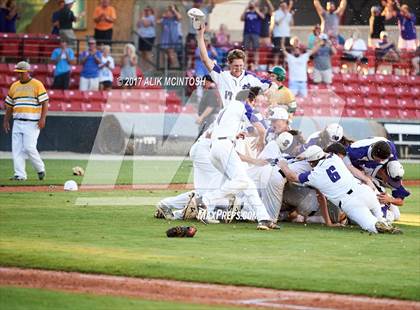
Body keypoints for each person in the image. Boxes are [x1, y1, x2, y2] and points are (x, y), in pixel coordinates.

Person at [187, 87, 280, 230]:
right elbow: (260, 129)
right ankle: (206, 199)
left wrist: (240, 133)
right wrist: (261, 138)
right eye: (253, 101)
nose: (253, 104)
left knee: (247, 184)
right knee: (242, 181)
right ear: (249, 99)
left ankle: (264, 219)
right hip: (225, 147)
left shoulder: (228, 108)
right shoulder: (243, 106)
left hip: (215, 148)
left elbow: (248, 131)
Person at [278, 145, 401, 234]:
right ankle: (384, 221)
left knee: (369, 225)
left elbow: (292, 176)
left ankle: (379, 226)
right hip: (364, 191)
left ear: (311, 162)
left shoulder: (315, 175)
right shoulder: (334, 158)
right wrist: (305, 156)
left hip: (350, 203)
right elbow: (324, 153)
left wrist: (283, 165)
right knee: (379, 215)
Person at [197, 25, 271, 108]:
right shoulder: (222, 75)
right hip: (228, 118)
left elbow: (270, 85)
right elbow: (205, 59)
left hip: (246, 118)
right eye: (236, 66)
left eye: (241, 65)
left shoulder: (250, 78)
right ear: (229, 63)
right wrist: (200, 35)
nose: (239, 68)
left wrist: (267, 93)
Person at [2, 61, 48, 181]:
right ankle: (20, 175)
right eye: (18, 72)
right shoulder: (14, 86)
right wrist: (6, 120)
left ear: (28, 72)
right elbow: (9, 105)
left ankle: (40, 168)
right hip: (17, 121)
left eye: (22, 72)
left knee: (29, 147)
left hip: (32, 122)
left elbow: (45, 102)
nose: (20, 75)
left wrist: (43, 118)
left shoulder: (37, 84)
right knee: (16, 148)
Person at [241, 0, 265, 68]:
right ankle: (244, 64)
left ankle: (256, 64)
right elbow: (242, 18)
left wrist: (256, 9)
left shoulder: (258, 12)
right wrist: (245, 9)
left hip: (255, 33)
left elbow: (263, 17)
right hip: (247, 33)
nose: (251, 5)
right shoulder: (247, 13)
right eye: (250, 4)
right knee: (245, 49)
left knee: (256, 49)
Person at [272, 0, 293, 66]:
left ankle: (284, 67)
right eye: (283, 6)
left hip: (286, 35)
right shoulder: (276, 13)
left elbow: (291, 24)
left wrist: (291, 15)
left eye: (285, 6)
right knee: (277, 52)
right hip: (278, 35)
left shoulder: (288, 13)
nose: (284, 7)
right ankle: (275, 67)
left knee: (286, 52)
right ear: (281, 6)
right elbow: (277, 22)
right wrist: (284, 15)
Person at [137, 6, 156, 70]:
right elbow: (138, 25)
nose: (146, 12)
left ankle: (150, 67)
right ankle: (143, 67)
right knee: (142, 52)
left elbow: (146, 24)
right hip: (142, 36)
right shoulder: (143, 17)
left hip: (149, 37)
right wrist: (141, 18)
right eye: (145, 10)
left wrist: (142, 17)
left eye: (148, 10)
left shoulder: (152, 17)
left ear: (151, 11)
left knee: (148, 52)